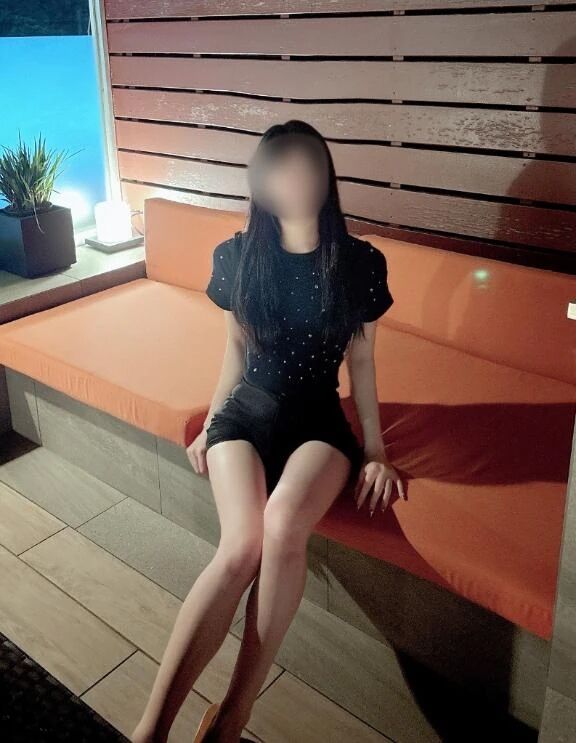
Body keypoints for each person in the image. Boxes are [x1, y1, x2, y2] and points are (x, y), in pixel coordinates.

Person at [130, 119, 405, 743]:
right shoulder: (236, 255)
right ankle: (151, 729)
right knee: (239, 548)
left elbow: (362, 362)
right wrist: (211, 421)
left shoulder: (360, 262)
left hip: (318, 421)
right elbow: (235, 348)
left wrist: (375, 449)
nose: (295, 183)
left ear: (326, 178)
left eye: (308, 169)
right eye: (281, 171)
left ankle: (234, 715)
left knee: (282, 525)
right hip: (247, 411)